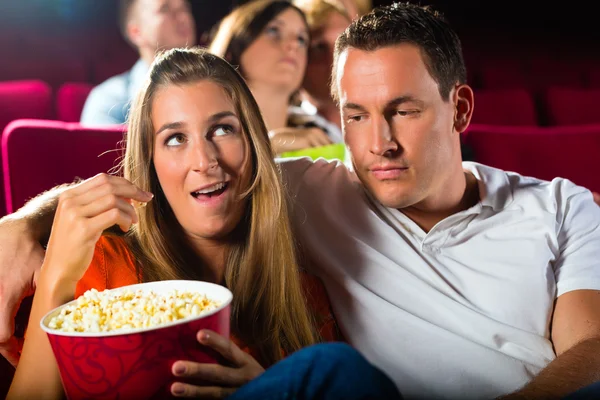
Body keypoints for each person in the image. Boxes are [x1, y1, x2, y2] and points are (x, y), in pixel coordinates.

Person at [2, 3, 600, 399]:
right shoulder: (317, 189)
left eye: (404, 111)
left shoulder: (563, 206)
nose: (379, 143)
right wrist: (28, 227)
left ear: (460, 109)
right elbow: (168, 187)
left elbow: (593, 349)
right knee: (331, 373)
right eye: (356, 116)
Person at [7, 47, 387, 399]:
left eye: (223, 129)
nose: (204, 161)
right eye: (175, 139)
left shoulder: (302, 294)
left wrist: (268, 388)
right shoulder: (102, 264)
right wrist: (54, 272)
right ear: (151, 164)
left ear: (252, 144)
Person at [208, 0, 342, 155]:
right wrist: (268, 147)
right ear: (234, 43)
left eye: (301, 39)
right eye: (273, 31)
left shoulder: (324, 134)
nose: (293, 44)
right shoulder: (208, 129)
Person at [80, 0, 196, 126]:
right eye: (165, 9)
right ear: (136, 32)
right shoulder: (109, 100)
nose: (183, 17)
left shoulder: (214, 83)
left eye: (184, 9)